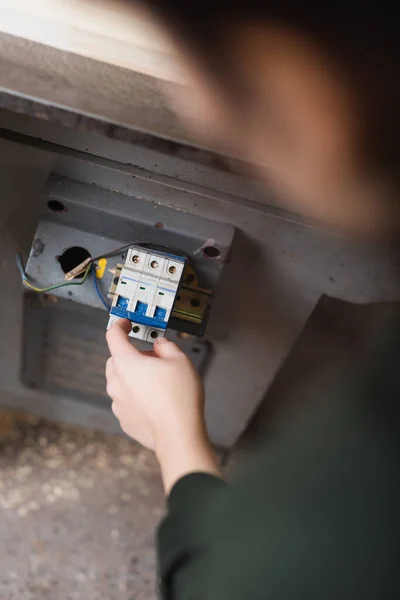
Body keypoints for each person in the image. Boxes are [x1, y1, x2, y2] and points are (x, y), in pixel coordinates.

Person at [105, 2, 400, 599]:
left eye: (200, 65)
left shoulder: (352, 497)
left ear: (310, 102)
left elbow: (224, 585)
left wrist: (175, 435)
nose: (198, 109)